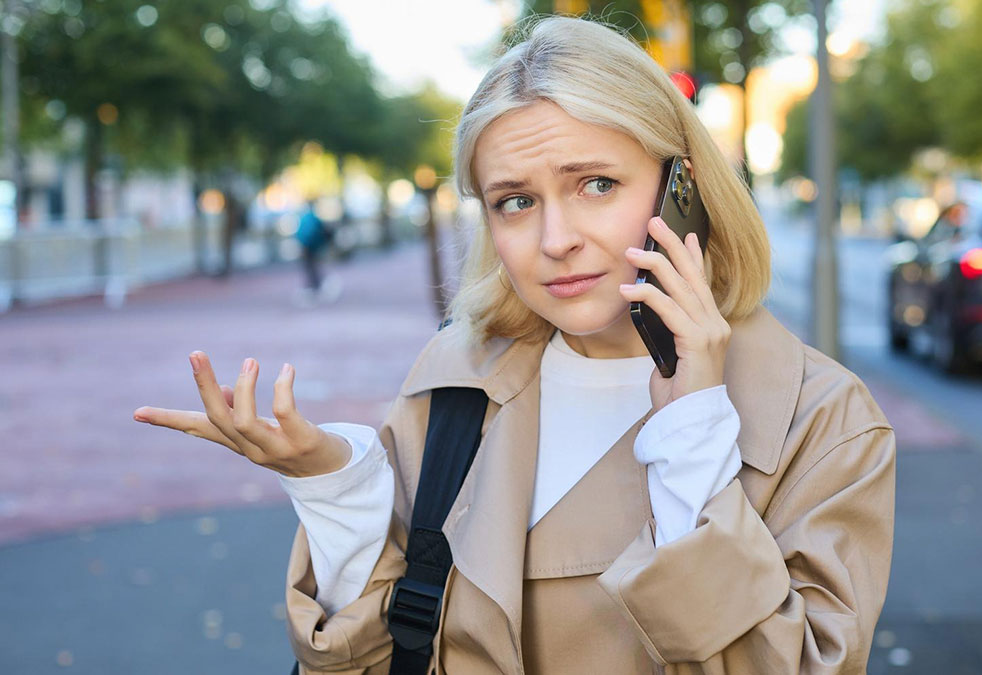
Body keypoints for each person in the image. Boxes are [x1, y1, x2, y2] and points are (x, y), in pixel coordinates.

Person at [133, 16, 895, 674]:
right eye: (516, 201)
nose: (556, 240)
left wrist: (694, 431)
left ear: (681, 187)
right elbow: (370, 656)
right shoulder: (455, 381)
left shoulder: (818, 420)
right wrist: (337, 489)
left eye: (595, 183)